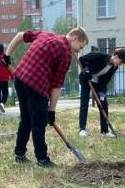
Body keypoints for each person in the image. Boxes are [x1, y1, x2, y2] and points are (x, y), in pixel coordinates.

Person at [5, 27, 88, 167]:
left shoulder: (45, 34)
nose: (77, 52)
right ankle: (42, 159)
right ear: (74, 37)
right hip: (36, 84)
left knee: (26, 119)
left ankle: (19, 154)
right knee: (38, 123)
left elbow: (20, 35)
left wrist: (7, 54)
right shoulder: (66, 54)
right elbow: (56, 86)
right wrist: (51, 111)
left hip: (20, 78)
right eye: (79, 48)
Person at [78, 47, 125, 137]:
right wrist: (86, 71)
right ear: (116, 56)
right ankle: (82, 129)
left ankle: (105, 131)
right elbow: (82, 59)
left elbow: (105, 80)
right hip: (87, 80)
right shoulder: (101, 56)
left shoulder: (114, 67)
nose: (120, 64)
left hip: (98, 84)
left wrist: (102, 93)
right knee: (84, 103)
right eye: (121, 62)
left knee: (104, 105)